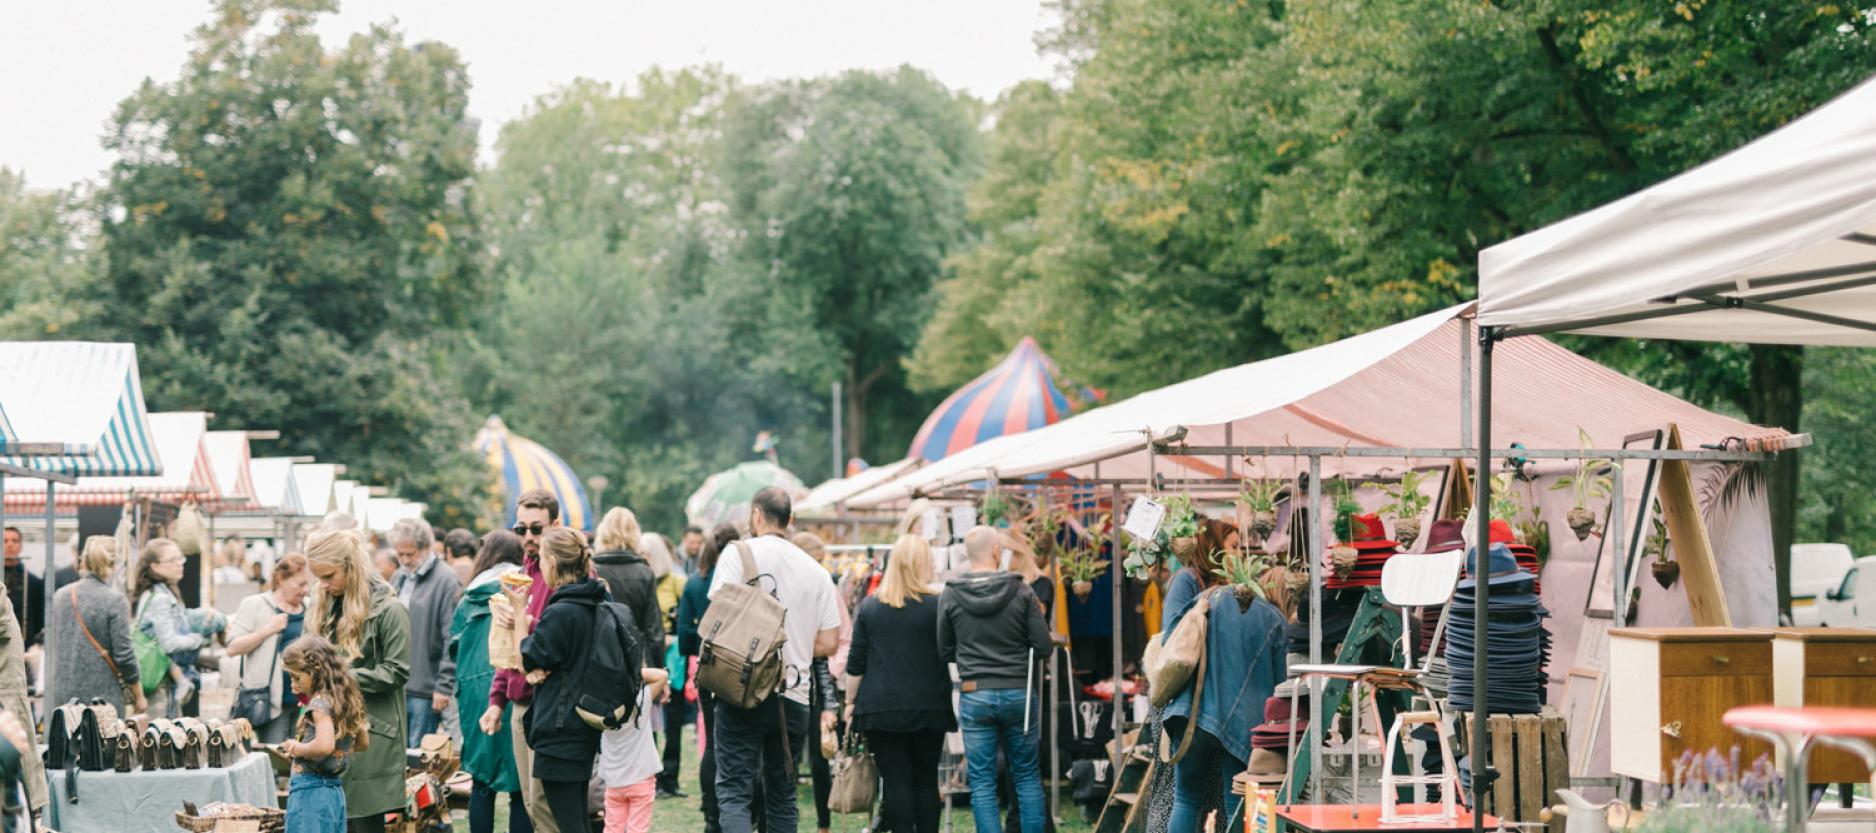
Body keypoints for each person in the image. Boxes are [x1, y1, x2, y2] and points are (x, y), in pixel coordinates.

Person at [707, 487, 841, 833]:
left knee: (735, 791)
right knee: (782, 796)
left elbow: (716, 618)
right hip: (793, 695)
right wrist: (794, 640)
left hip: (741, 687)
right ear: (790, 520)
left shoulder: (738, 554)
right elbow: (829, 642)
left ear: (755, 514)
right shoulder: (817, 572)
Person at [1160, 522, 1287, 833]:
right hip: (1243, 724)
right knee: (1240, 802)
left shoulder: (1208, 598)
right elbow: (1281, 689)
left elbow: (1173, 640)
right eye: (1233, 546)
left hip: (1192, 713)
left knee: (1186, 799)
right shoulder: (1273, 619)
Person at [938, 526, 1053, 833]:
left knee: (982, 781)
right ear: (996, 551)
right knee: (1027, 776)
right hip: (1019, 692)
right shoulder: (1023, 591)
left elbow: (944, 649)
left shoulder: (951, 593)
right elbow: (1043, 646)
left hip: (975, 693)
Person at [846, 535, 955, 833]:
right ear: (923, 564)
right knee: (925, 779)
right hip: (929, 704)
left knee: (895, 782)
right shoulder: (939, 605)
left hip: (881, 707)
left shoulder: (871, 607)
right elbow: (951, 651)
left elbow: (856, 662)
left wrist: (849, 703)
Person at [305, 527, 411, 833]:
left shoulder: (390, 610)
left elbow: (398, 670)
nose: (323, 586)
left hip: (372, 732)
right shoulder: (323, 608)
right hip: (326, 729)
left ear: (351, 567)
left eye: (329, 576)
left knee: (362, 822)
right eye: (318, 578)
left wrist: (342, 676)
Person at [482, 489, 565, 833]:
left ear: (555, 525)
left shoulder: (564, 575)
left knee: (548, 802)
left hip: (550, 700)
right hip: (519, 701)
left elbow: (564, 638)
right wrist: (496, 701)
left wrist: (526, 622)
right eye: (521, 529)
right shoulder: (520, 574)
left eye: (537, 529)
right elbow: (508, 649)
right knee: (531, 801)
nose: (528, 537)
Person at [518, 527, 609, 833]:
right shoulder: (595, 602)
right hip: (584, 722)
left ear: (553, 563)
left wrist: (519, 614)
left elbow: (527, 658)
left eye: (542, 558)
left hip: (559, 728)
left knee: (568, 821)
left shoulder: (562, 612)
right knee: (576, 817)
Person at [444, 531, 532, 833]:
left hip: (475, 692)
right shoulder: (525, 591)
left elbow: (454, 647)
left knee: (481, 780)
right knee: (521, 784)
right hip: (515, 687)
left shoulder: (470, 597)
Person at [676, 523, 738, 833]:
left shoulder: (695, 585)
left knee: (713, 742)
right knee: (742, 743)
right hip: (743, 668)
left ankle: (712, 816)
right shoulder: (744, 584)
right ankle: (740, 809)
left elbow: (684, 639)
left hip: (708, 667)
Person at [279, 635, 369, 833]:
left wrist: (298, 748)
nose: (293, 684)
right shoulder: (344, 700)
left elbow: (324, 746)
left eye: (297, 677)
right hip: (334, 793)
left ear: (316, 671)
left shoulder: (319, 704)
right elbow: (362, 742)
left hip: (310, 794)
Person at [790, 531, 849, 833]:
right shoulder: (802, 586)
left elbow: (839, 640)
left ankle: (823, 823)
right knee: (788, 757)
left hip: (813, 682)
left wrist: (829, 696)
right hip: (798, 682)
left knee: (817, 758)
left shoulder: (823, 587)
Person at [132, 538, 225, 716]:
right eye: (172, 560)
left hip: (164, 680)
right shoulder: (160, 599)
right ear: (155, 567)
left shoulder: (163, 593)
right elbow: (169, 643)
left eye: (180, 558)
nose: (180, 564)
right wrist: (200, 640)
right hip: (160, 684)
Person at [390, 518, 462, 746]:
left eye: (410, 554)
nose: (404, 560)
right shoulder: (399, 577)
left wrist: (443, 686)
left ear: (426, 547)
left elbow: (452, 636)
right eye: (400, 555)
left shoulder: (446, 580)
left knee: (417, 758)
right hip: (397, 685)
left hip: (425, 686)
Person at [226, 553, 312, 743]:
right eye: (300, 584)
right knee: (275, 759)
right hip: (270, 703)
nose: (306, 590)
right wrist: (267, 631)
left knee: (300, 762)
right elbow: (232, 647)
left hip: (305, 703)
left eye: (308, 584)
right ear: (281, 580)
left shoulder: (310, 608)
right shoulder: (255, 605)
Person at [642, 533, 689, 800]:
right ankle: (651, 777)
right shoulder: (640, 580)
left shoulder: (677, 583)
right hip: (648, 659)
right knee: (648, 720)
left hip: (672, 660)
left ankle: (669, 778)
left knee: (673, 722)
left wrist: (675, 636)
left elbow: (690, 620)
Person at [591, 508, 664, 670]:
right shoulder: (644, 572)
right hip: (637, 661)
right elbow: (653, 630)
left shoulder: (591, 570)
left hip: (599, 660)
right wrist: (658, 669)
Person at [600, 668, 670, 833]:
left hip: (613, 780)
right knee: (637, 829)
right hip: (641, 777)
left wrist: (610, 669)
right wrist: (628, 669)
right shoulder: (640, 701)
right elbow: (662, 676)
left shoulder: (600, 706)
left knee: (612, 827)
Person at [2, 527, 44, 647]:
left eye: (14, 541)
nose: (10, 545)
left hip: (24, 646)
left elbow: (39, 619)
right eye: (5, 541)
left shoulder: (33, 582)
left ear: (21, 546)